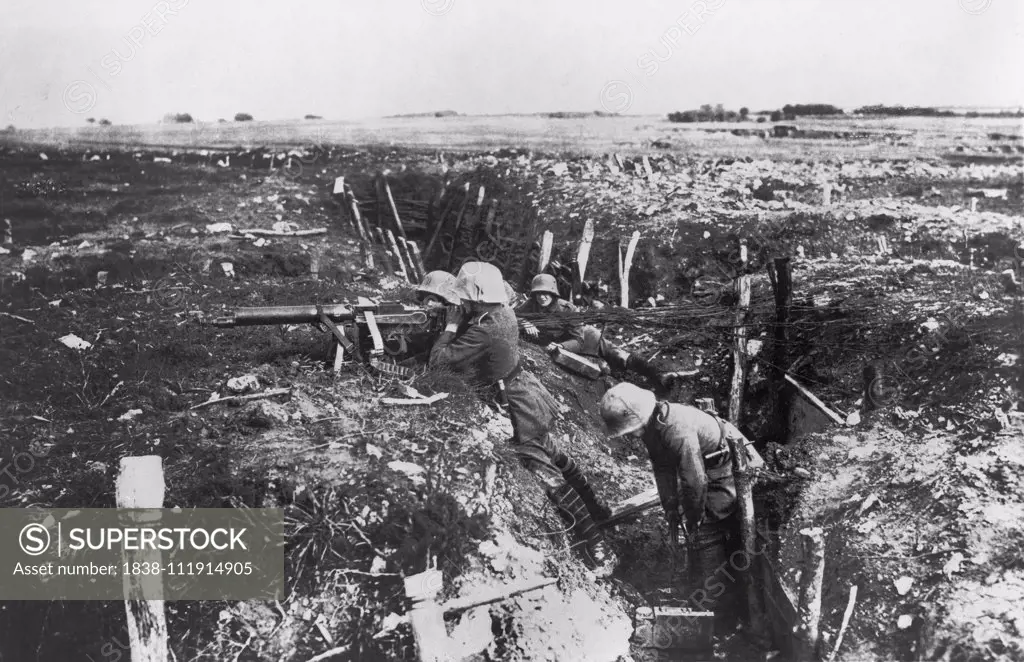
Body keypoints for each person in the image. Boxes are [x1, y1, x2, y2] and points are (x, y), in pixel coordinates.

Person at [430, 262, 618, 577]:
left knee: (543, 470)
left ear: (476, 298)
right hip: (526, 390)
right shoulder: (502, 312)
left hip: (515, 404)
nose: (460, 303)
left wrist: (451, 327)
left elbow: (438, 361)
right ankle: (598, 510)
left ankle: (597, 545)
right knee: (552, 450)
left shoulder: (486, 328)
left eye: (465, 298)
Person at [598, 382, 746, 631]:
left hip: (726, 468)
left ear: (643, 416)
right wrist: (670, 507)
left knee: (706, 532)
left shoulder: (677, 429)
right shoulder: (654, 427)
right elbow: (663, 467)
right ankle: (697, 588)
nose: (633, 435)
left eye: (633, 429)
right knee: (694, 529)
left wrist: (694, 517)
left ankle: (716, 612)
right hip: (705, 467)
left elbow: (695, 479)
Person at [516, 274, 682, 389]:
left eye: (546, 293)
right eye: (538, 293)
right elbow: (511, 316)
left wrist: (560, 346)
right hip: (564, 345)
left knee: (619, 356)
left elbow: (578, 341)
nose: (542, 297)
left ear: (553, 293)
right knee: (603, 370)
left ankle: (657, 375)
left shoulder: (567, 309)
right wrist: (524, 323)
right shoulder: (530, 305)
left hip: (585, 338)